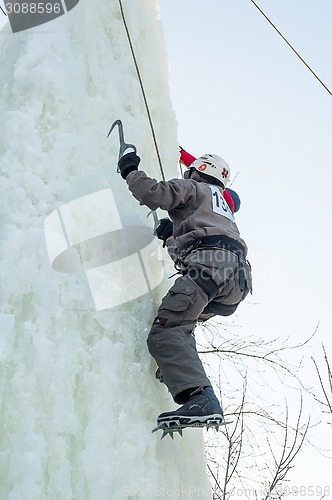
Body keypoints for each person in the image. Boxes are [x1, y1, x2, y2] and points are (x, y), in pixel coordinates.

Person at [118, 148, 252, 427]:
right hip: (236, 281)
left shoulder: (193, 187)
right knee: (183, 322)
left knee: (167, 330)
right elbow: (204, 242)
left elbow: (153, 193)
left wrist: (130, 170)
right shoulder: (223, 208)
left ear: (198, 171)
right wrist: (171, 236)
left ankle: (200, 396)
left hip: (210, 269)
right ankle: (176, 367)